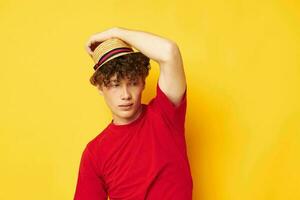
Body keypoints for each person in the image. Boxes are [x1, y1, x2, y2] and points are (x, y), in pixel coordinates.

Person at [74, 27, 193, 200]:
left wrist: (114, 33)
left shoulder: (165, 115)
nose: (126, 95)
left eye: (133, 83)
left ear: (143, 83)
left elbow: (169, 52)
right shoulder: (95, 153)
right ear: (100, 88)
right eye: (115, 85)